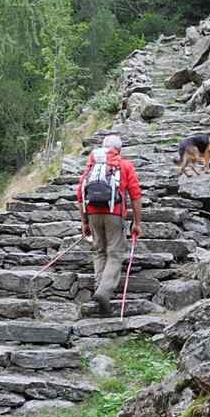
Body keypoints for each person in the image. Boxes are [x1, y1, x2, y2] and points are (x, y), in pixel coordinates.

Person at [77, 134, 142, 315]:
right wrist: (137, 223)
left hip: (92, 212)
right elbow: (135, 195)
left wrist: (84, 221)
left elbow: (80, 193)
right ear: (119, 150)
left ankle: (99, 287)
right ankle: (104, 291)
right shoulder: (124, 165)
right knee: (115, 252)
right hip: (114, 213)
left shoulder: (92, 165)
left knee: (99, 250)